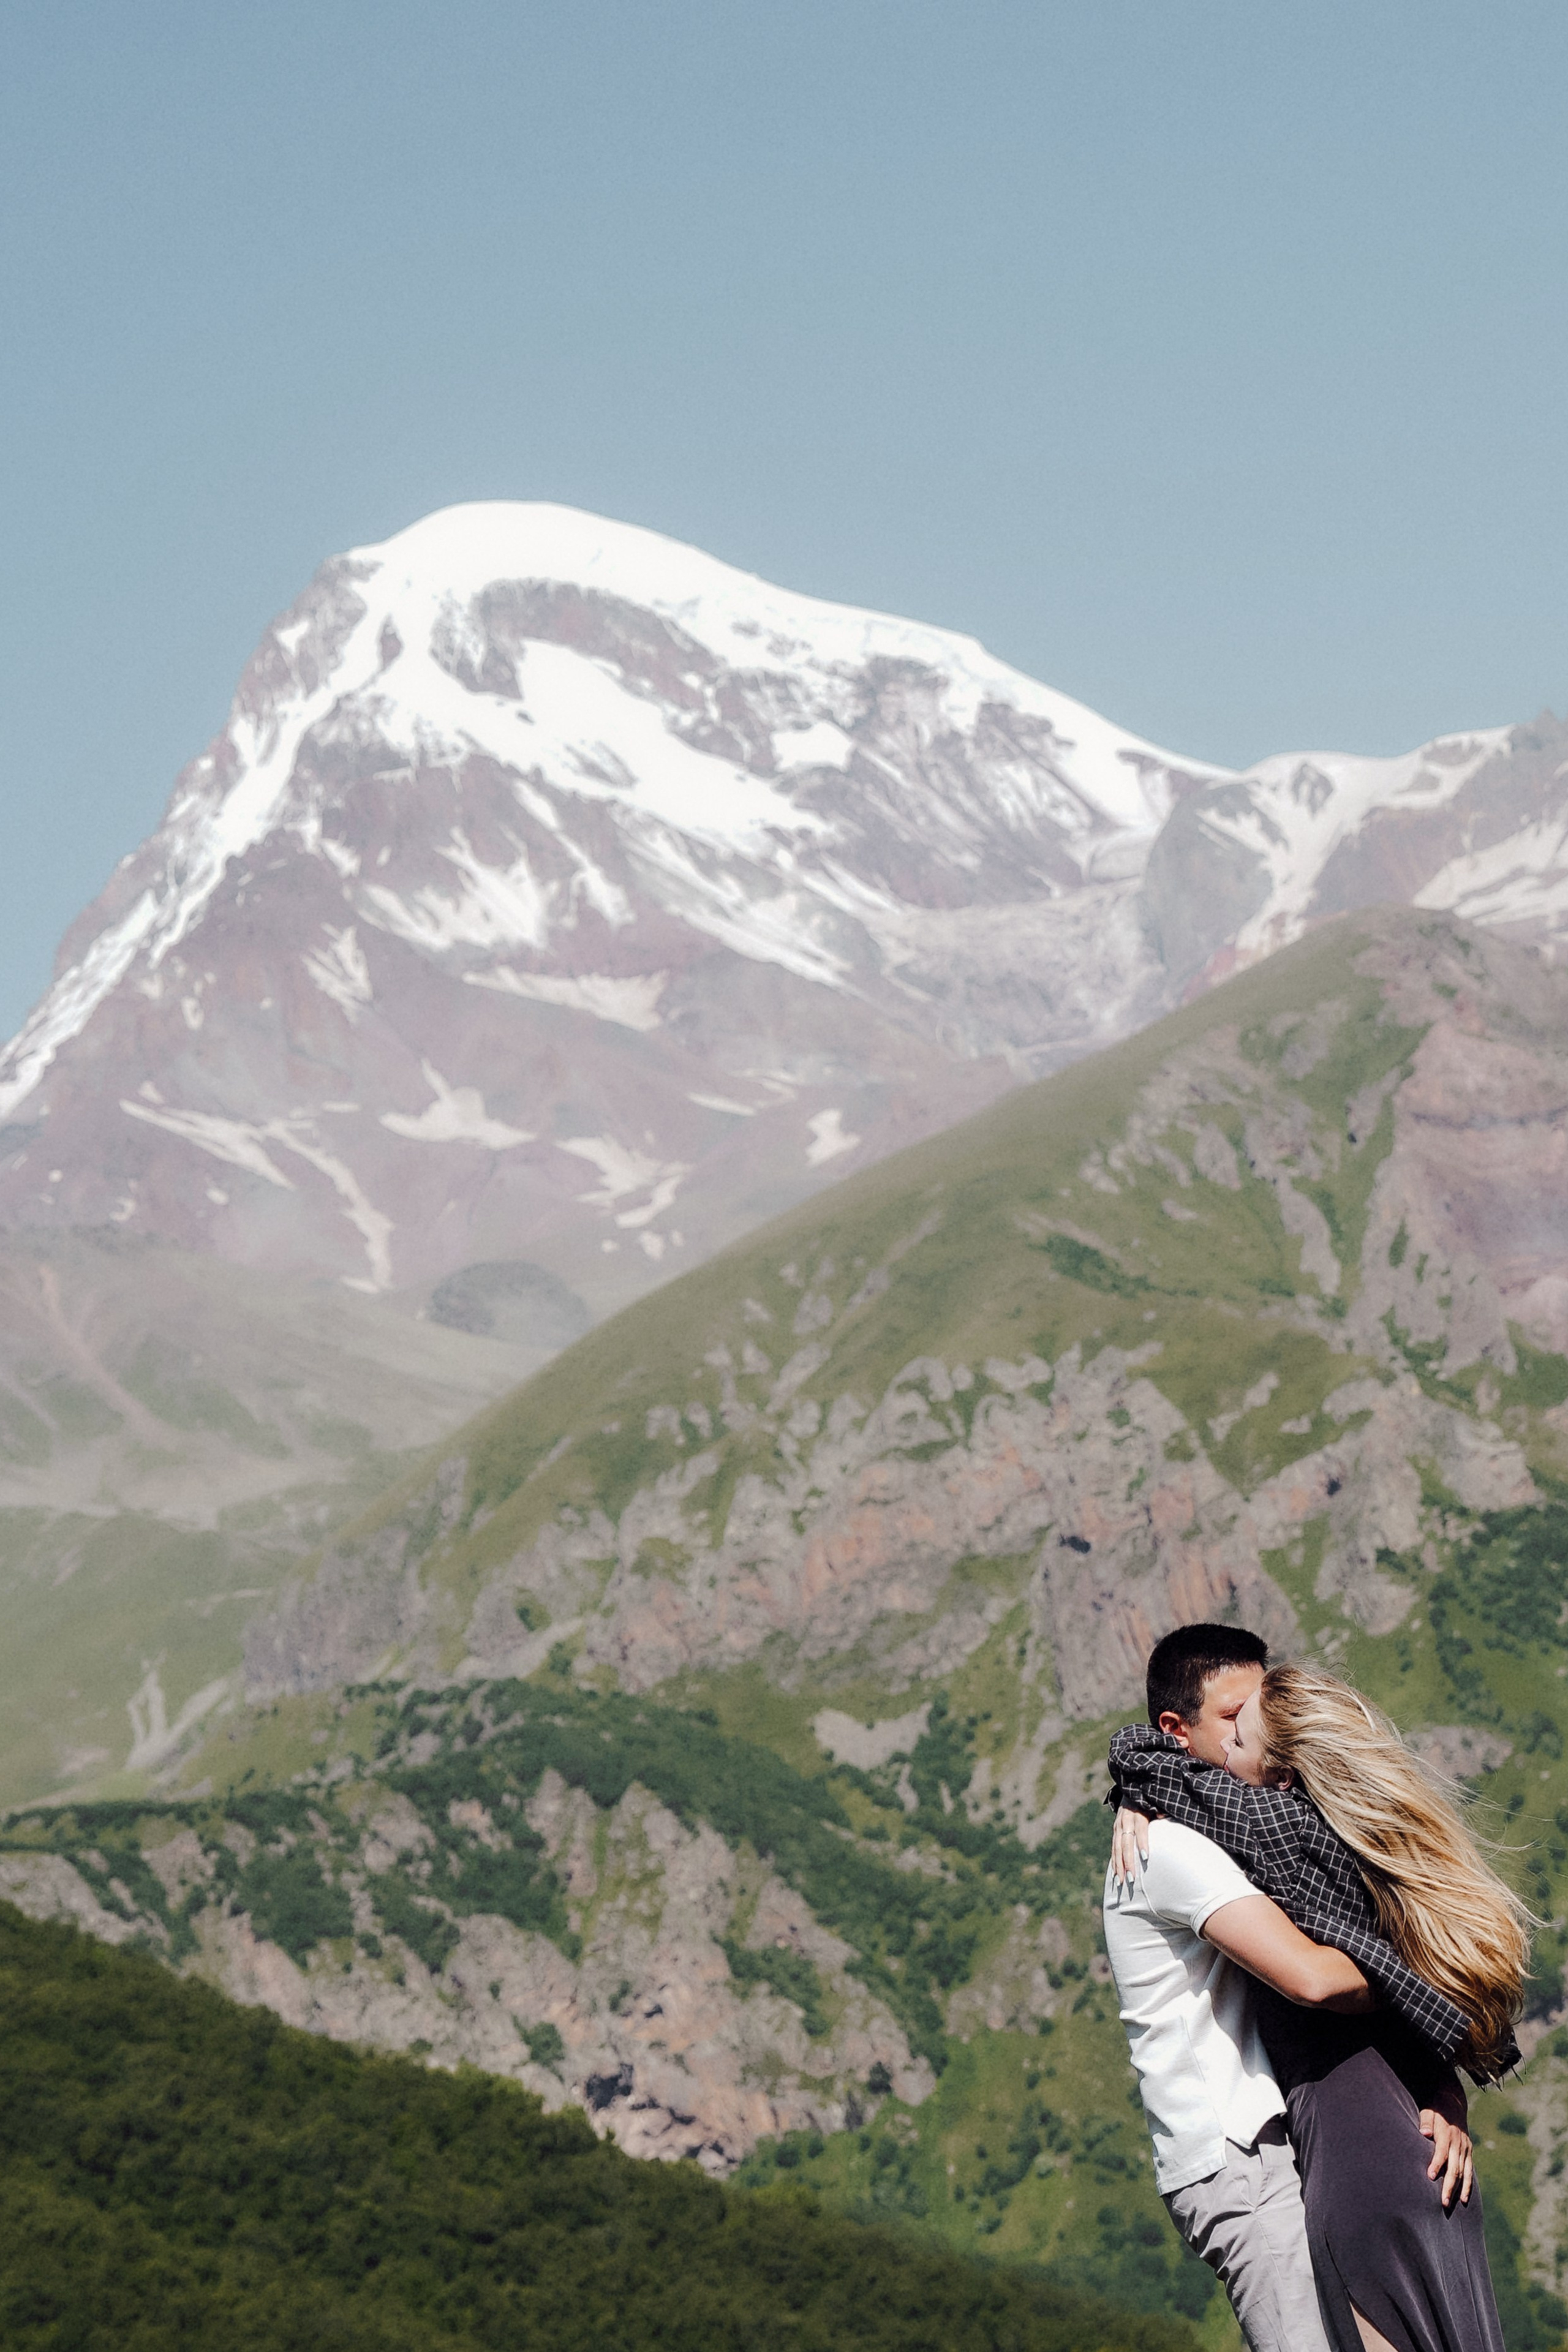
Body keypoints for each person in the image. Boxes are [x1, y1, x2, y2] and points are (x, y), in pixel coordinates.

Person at [1110, 1647, 1529, 2352]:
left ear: (1280, 1769)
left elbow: (1311, 1979)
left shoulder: (1263, 1827)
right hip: (1417, 2149)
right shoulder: (1334, 1837)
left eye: (1249, 1724)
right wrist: (1444, 2079)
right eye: (1231, 1718)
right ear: (1181, 1727)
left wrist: (1132, 1783)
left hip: (1349, 2161)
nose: (1237, 1733)